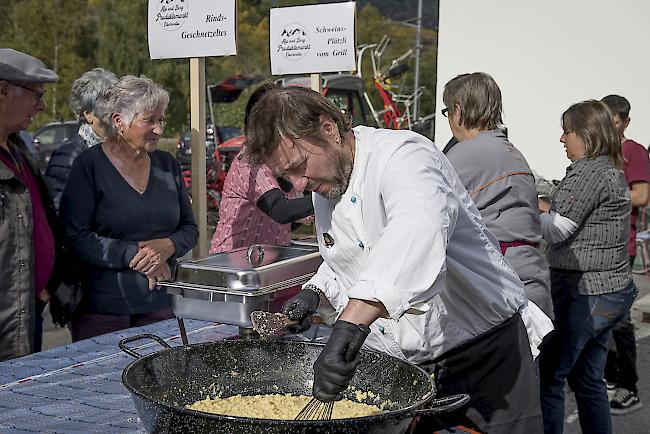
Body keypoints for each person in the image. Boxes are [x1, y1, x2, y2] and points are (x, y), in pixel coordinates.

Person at [244, 86, 553, 433]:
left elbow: (417, 231)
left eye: (300, 165)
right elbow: (353, 255)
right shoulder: (327, 183)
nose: (299, 184)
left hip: (485, 358)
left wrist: (350, 326)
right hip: (410, 369)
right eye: (287, 177)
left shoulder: (403, 155)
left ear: (328, 127)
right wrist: (314, 291)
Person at [60, 75, 198, 341]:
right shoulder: (89, 166)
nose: (159, 129)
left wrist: (168, 246)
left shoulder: (167, 164)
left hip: (162, 306)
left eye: (161, 120)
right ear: (118, 121)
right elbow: (76, 236)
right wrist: (139, 254)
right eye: (149, 120)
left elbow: (190, 228)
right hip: (104, 311)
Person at [538, 100, 637, 434]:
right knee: (589, 379)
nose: (562, 139)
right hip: (612, 292)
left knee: (551, 380)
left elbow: (559, 229)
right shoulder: (611, 168)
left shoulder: (589, 171)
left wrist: (528, 212)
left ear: (585, 134)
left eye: (567, 131)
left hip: (584, 293)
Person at [442, 72, 553, 318]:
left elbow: (430, 217)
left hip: (500, 290)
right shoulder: (511, 151)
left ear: (458, 111)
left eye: (447, 112)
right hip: (531, 280)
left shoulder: (464, 154)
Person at [0, 49, 61, 360]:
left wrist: (40, 286)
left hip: (25, 312)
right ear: (3, 91)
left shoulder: (18, 149)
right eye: (37, 94)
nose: (43, 105)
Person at [210, 83, 313, 253]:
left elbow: (278, 221)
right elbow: (280, 210)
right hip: (230, 262)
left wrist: (299, 216)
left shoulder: (280, 156)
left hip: (264, 261)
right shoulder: (249, 161)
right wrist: (325, 198)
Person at [601, 94, 650, 414]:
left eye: (615, 121)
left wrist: (602, 192)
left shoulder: (633, 151)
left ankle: (627, 387)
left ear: (625, 122)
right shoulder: (598, 152)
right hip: (596, 247)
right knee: (597, 320)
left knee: (618, 322)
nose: (610, 125)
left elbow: (641, 195)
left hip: (622, 245)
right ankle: (606, 378)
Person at [44, 68, 118, 213]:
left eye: (117, 99)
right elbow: (61, 213)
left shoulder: (119, 150)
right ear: (88, 113)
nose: (115, 107)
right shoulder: (69, 157)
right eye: (107, 100)